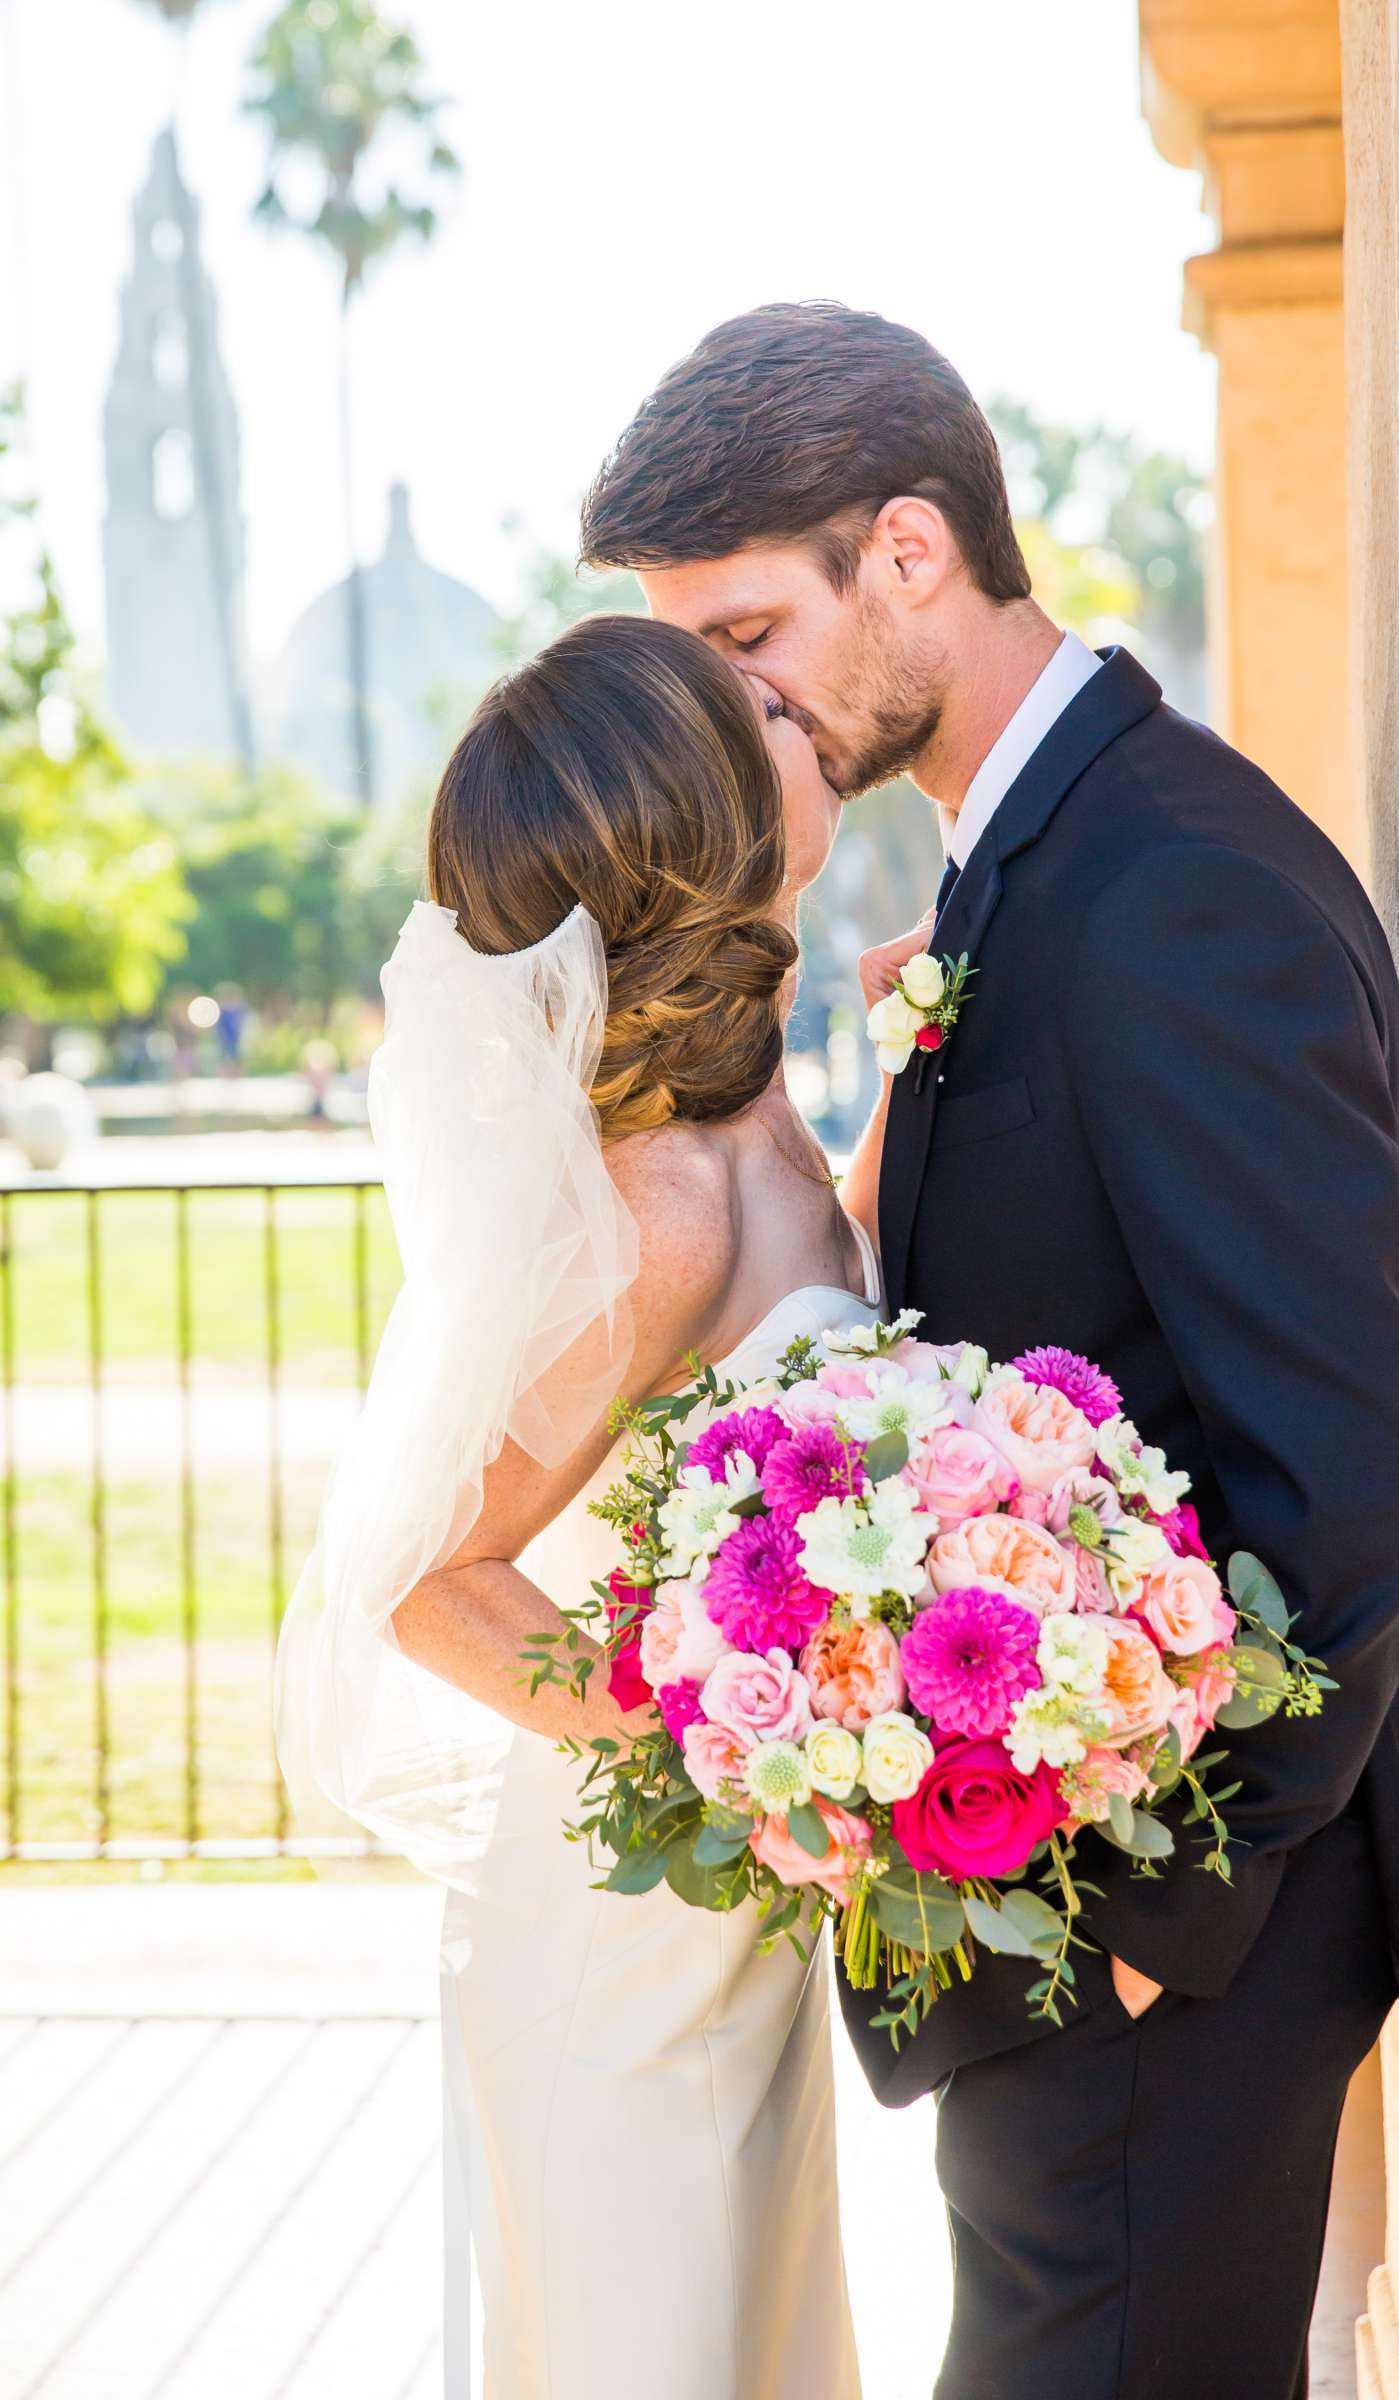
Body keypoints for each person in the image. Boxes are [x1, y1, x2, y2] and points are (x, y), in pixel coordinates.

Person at [580, 300, 1399, 2400]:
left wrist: (1160, 1921)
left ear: (907, 551)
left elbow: (1353, 1460)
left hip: (1166, 1940)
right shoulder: (1025, 867)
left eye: (739, 638)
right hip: (1070, 1908)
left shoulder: (1164, 887)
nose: (724, 707)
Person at [276, 614, 866, 2400]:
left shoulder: (761, 1106)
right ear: (695, 820)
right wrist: (726, 1751)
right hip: (624, 1949)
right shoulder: (662, 1202)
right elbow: (425, 1575)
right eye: (747, 709)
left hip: (728, 1941)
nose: (794, 707)